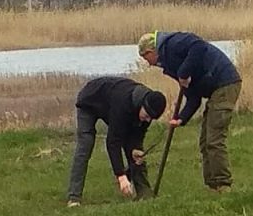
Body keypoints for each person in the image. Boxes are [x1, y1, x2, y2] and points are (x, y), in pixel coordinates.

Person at [137, 31, 241, 193]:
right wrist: (181, 118)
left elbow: (198, 45)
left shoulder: (173, 43)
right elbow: (193, 97)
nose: (148, 64)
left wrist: (184, 72)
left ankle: (223, 184)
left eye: (146, 58)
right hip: (214, 89)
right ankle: (213, 185)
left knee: (214, 138)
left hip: (225, 83)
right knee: (205, 141)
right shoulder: (169, 64)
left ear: (151, 51)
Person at [67, 76, 167, 207]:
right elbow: (113, 142)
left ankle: (144, 194)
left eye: (151, 118)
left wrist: (135, 149)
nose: (148, 120)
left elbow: (136, 136)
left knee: (136, 154)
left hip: (111, 101)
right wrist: (120, 175)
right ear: (141, 105)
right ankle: (74, 197)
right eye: (147, 116)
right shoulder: (122, 104)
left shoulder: (149, 107)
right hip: (89, 101)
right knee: (85, 145)